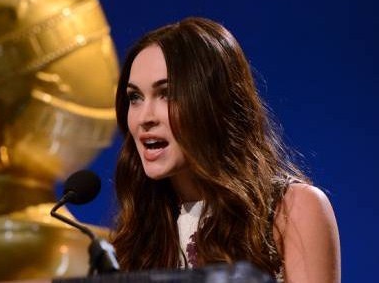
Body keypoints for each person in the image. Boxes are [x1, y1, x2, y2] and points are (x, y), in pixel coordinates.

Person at [111, 17, 340, 283]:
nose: (144, 118)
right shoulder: (136, 234)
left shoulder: (292, 210)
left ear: (213, 103)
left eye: (167, 93)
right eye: (135, 98)